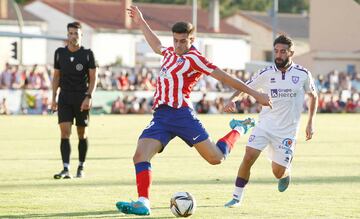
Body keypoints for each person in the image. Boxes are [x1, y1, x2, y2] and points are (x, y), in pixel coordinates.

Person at [115, 5, 272, 216]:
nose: (178, 45)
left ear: (192, 40)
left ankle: (238, 129)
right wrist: (141, 22)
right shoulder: (170, 52)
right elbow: (156, 46)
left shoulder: (196, 59)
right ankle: (143, 202)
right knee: (140, 155)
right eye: (176, 41)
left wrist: (256, 94)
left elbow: (225, 77)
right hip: (161, 116)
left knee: (216, 158)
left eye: (183, 41)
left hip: (182, 115)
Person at [223, 35, 318, 208]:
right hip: (264, 126)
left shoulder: (303, 74)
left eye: (283, 51)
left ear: (291, 53)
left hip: (287, 131)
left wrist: (310, 122)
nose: (278, 55)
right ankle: (236, 197)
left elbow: (313, 96)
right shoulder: (265, 73)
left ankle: (285, 173)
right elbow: (245, 87)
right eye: (276, 51)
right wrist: (233, 100)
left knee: (277, 172)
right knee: (249, 156)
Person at [51, 21, 97, 179]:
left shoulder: (87, 54)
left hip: (81, 98)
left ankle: (81, 166)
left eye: (76, 33)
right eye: (70, 33)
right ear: (67, 35)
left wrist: (89, 96)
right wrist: (53, 98)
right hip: (64, 97)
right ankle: (65, 168)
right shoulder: (59, 53)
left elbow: (93, 78)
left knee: (82, 134)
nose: (73, 36)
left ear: (81, 35)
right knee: (64, 133)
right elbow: (56, 76)